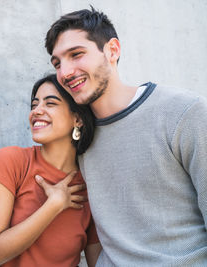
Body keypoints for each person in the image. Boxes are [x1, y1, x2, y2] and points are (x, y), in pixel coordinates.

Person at [45, 7, 207, 266]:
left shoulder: (185, 112)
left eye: (76, 54)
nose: (65, 73)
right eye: (57, 63)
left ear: (112, 50)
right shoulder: (79, 137)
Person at [0, 74, 101, 267]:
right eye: (34, 104)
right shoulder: (12, 161)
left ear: (78, 118)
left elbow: (97, 260)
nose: (36, 111)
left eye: (50, 103)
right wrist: (53, 205)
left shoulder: (90, 186)